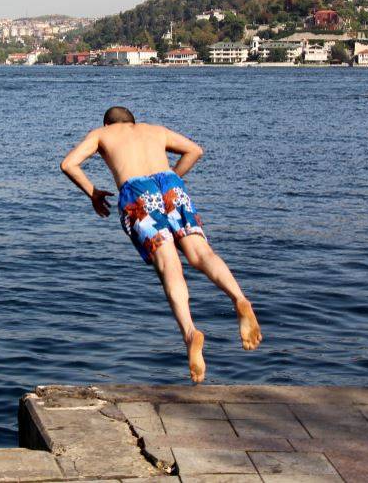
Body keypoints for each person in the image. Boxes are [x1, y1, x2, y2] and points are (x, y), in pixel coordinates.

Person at [60, 106, 261, 383]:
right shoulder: (155, 131)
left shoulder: (101, 134)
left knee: (170, 265)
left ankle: (190, 333)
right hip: (170, 185)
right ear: (134, 121)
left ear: (108, 124)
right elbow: (195, 151)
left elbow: (68, 164)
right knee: (201, 253)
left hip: (138, 191)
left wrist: (93, 192)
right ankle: (239, 299)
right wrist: (173, 179)